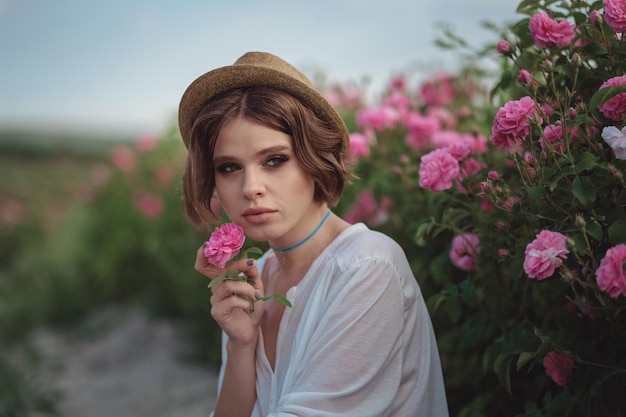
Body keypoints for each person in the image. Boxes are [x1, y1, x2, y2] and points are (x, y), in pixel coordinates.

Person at [178, 51, 449, 417]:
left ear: (315, 157)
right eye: (229, 167)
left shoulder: (367, 266)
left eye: (274, 160)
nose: (250, 187)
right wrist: (241, 346)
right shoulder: (253, 278)